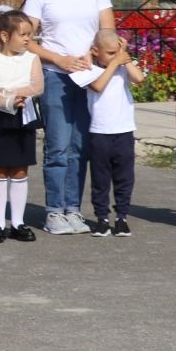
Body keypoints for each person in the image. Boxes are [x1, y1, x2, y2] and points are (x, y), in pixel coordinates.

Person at [21, 0, 116, 235]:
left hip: (88, 75)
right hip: (56, 75)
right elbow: (24, 39)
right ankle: (54, 211)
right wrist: (60, 60)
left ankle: (73, 208)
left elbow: (108, 31)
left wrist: (90, 55)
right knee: (58, 145)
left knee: (81, 145)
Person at [0, 9, 43, 243]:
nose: (28, 39)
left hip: (23, 117)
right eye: (23, 34)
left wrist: (11, 92)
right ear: (5, 36)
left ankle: (17, 222)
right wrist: (6, 100)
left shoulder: (32, 59)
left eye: (30, 35)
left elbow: (37, 86)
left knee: (19, 170)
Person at [73, 34, 144, 237]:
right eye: (111, 53)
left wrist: (124, 57)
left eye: (117, 52)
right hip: (99, 133)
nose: (116, 57)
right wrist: (115, 62)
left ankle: (122, 216)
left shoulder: (123, 66)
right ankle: (102, 218)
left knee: (124, 177)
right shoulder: (88, 69)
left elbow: (139, 78)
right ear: (96, 52)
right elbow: (98, 86)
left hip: (123, 131)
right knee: (100, 178)